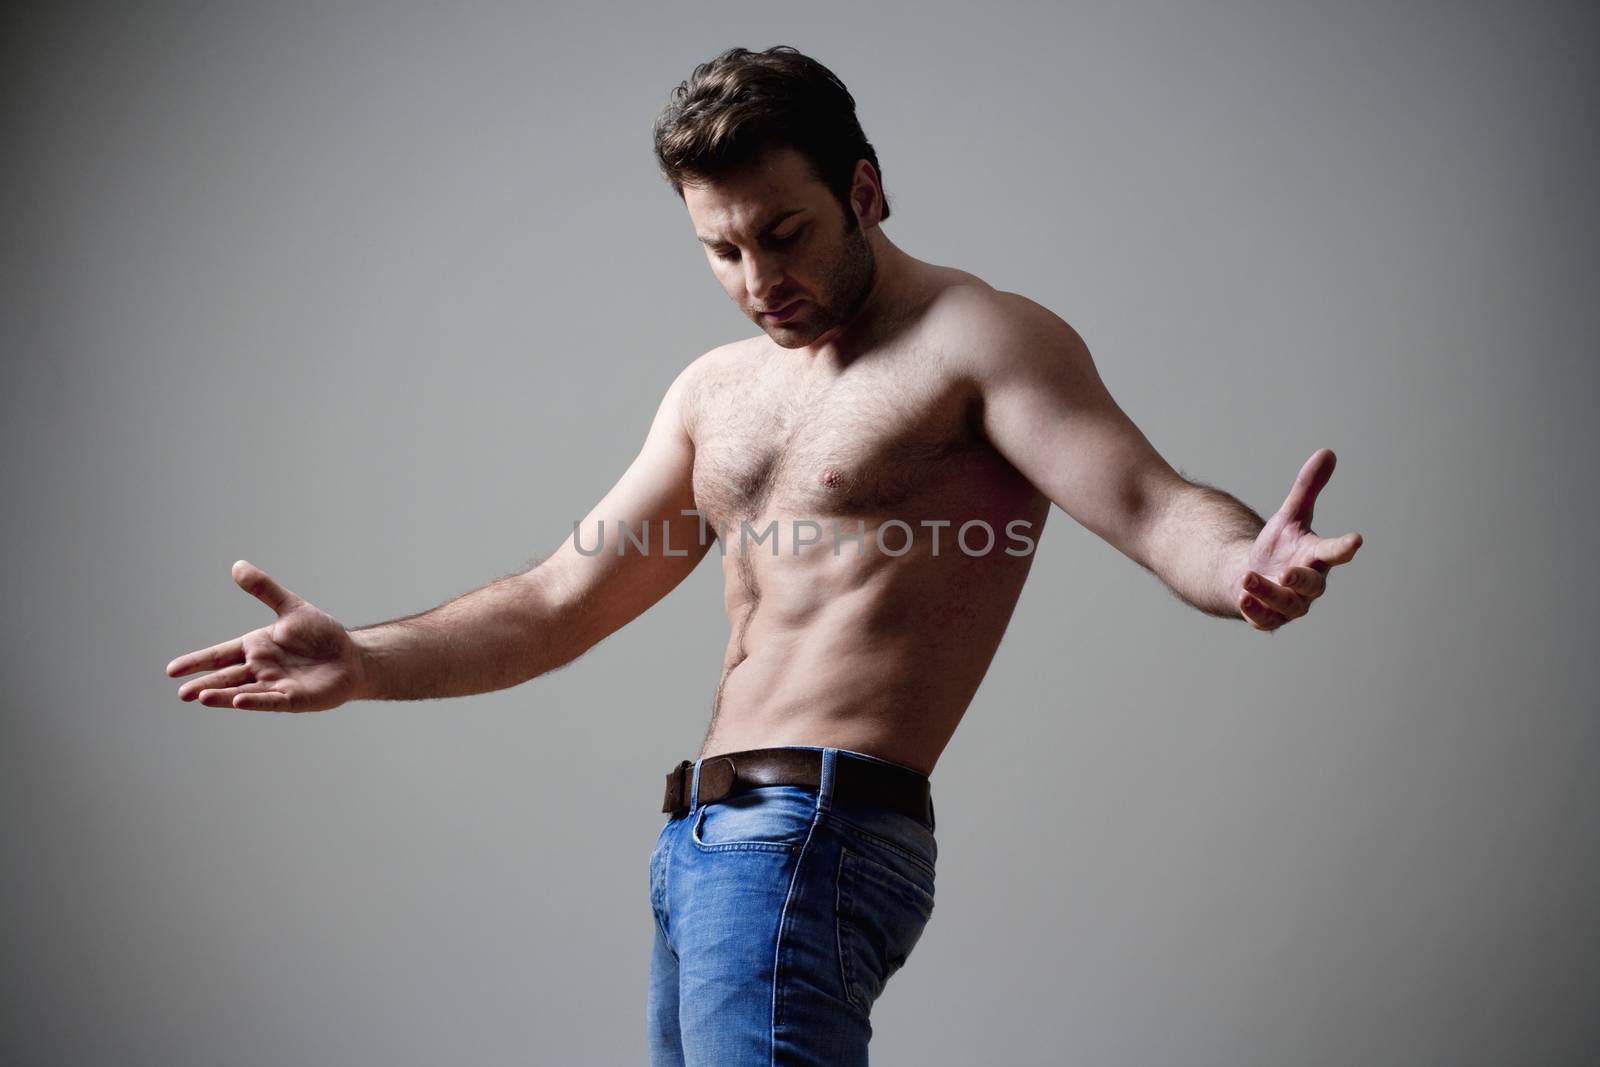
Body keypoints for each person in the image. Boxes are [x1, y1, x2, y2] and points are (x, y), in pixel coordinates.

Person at [165, 45, 1364, 1065]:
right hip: (697, 852)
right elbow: (556, 599)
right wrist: (365, 660)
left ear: (865, 187)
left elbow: (1153, 504)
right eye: (721, 249)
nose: (758, 280)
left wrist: (1240, 563)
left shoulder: (977, 338)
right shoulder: (714, 391)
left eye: (783, 235)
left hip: (812, 832)